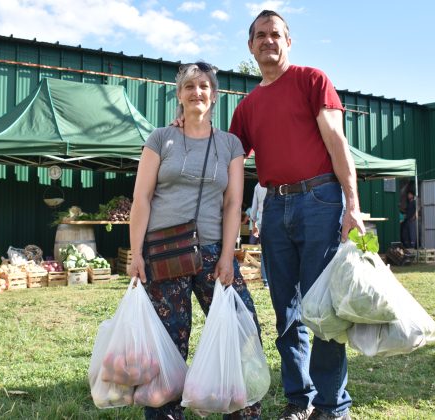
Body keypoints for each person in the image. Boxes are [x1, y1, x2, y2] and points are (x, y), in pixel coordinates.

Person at [228, 10, 365, 420]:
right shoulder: (248, 105)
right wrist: (186, 128)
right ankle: (299, 399)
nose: (268, 41)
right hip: (274, 206)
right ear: (250, 46)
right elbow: (229, 160)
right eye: (260, 36)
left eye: (276, 34)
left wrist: (351, 205)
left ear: (289, 41)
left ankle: (331, 405)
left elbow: (337, 142)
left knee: (321, 307)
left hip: (319, 199)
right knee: (285, 309)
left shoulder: (312, 80)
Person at [128, 61, 263, 420]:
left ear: (214, 96)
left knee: (242, 328)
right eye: (190, 86)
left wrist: (227, 253)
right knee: (169, 342)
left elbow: (234, 202)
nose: (197, 92)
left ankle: (241, 409)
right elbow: (141, 198)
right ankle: (165, 413)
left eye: (204, 86)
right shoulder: (161, 138)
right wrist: (137, 253)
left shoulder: (230, 145)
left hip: (213, 252)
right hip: (164, 252)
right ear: (179, 95)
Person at [249, 183, 269, 289]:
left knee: (265, 251)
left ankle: (266, 281)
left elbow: (254, 207)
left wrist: (254, 224)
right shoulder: (277, 180)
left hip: (262, 220)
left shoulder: (258, 185)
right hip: (276, 220)